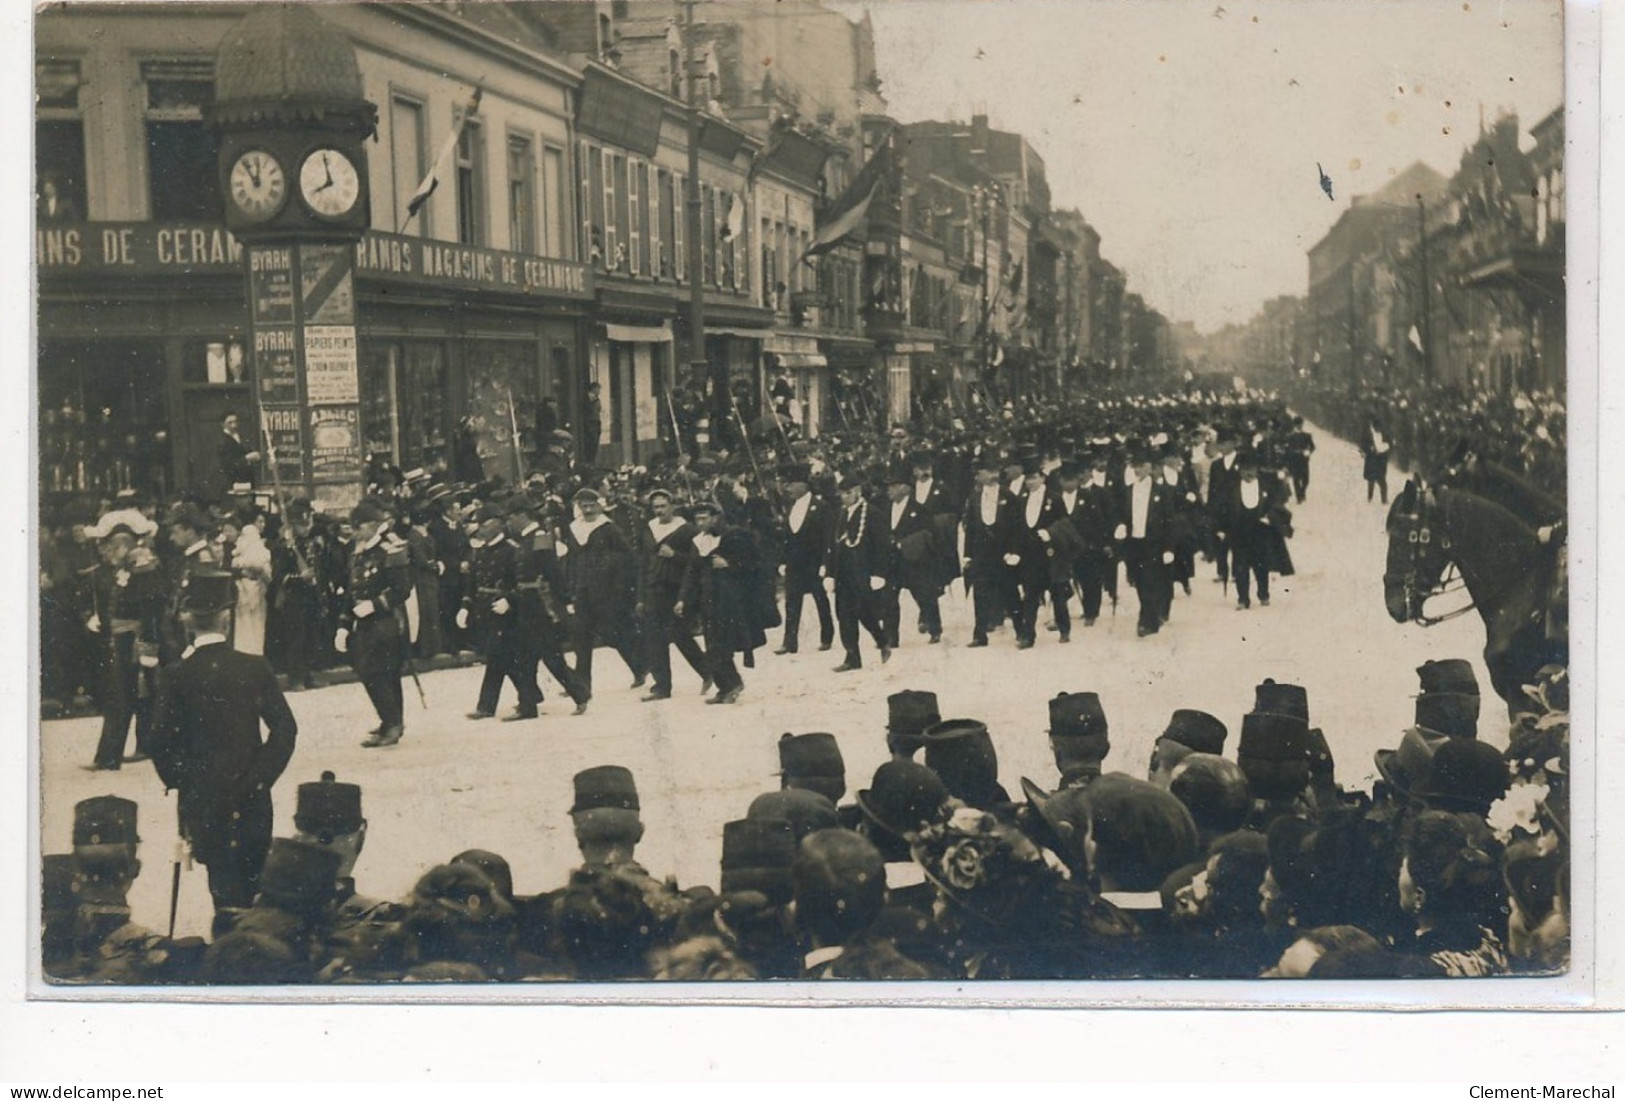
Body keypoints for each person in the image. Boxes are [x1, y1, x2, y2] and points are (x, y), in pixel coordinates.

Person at [149, 571, 297, 937]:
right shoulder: (253, 666)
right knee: (254, 879)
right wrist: (260, 777)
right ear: (227, 617)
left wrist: (185, 780)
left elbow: (159, 742)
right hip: (252, 796)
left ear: (188, 621)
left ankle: (231, 954)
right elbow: (285, 730)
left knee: (223, 886)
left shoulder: (176, 675)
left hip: (204, 799)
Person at [81, 510, 164, 771]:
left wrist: (149, 646)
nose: (106, 551)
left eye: (111, 545)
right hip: (122, 638)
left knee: (122, 696)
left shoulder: (144, 568)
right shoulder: (122, 568)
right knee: (138, 694)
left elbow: (152, 608)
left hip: (136, 640)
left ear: (126, 544)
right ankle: (145, 746)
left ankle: (109, 756)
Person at [335, 496, 413, 748]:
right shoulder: (358, 553)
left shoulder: (391, 548)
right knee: (377, 672)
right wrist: (343, 625)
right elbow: (352, 591)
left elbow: (402, 589)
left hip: (387, 621)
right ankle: (391, 721)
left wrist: (375, 605)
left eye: (358, 527)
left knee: (379, 673)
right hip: (364, 622)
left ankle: (392, 723)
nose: (354, 532)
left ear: (370, 525)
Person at [557, 487, 645, 698]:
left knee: (613, 633)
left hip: (606, 591)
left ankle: (639, 667)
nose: (587, 510)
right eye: (583, 506)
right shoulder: (573, 528)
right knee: (581, 637)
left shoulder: (608, 528)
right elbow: (571, 558)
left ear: (598, 505)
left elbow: (628, 556)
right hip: (582, 589)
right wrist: (571, 583)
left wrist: (611, 572)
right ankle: (581, 685)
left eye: (591, 505)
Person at [677, 499, 761, 704]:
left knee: (722, 643)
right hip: (707, 598)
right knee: (712, 642)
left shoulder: (734, 536)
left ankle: (731, 684)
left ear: (715, 518)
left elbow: (754, 562)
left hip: (729, 598)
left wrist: (730, 564)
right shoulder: (699, 541)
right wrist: (682, 599)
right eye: (697, 519)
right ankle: (727, 685)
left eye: (704, 518)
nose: (700, 522)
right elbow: (691, 572)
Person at [635, 488, 709, 701]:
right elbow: (643, 563)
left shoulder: (687, 530)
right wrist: (640, 596)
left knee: (679, 634)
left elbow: (697, 562)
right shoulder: (648, 529)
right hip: (652, 589)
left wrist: (674, 555)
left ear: (672, 506)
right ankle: (662, 686)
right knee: (653, 639)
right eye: (655, 507)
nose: (659, 511)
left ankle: (707, 671)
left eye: (663, 506)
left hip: (675, 590)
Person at [828, 474, 891, 672]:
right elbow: (834, 545)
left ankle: (882, 640)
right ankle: (852, 656)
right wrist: (829, 573)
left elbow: (882, 546)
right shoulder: (842, 514)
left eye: (846, 493)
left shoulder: (872, 514)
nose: (843, 498)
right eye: (841, 494)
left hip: (863, 572)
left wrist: (879, 573)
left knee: (865, 612)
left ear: (857, 492)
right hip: (844, 574)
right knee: (844, 615)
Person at [876, 462, 942, 647]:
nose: (889, 491)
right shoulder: (885, 509)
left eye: (893, 487)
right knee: (889, 599)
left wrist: (905, 543)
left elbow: (928, 535)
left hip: (913, 560)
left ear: (905, 488)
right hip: (892, 561)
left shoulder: (919, 510)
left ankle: (935, 628)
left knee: (924, 596)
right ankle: (891, 637)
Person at [1116, 446, 1180, 637]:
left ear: (1150, 467)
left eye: (1141, 466)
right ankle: (1150, 614)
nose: (1137, 470)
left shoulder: (1162, 491)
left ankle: (1147, 621)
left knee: (1150, 580)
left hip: (1154, 543)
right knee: (1138, 580)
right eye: (1135, 466)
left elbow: (1169, 521)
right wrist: (1120, 526)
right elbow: (1122, 514)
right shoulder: (1128, 491)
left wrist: (1169, 547)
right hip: (1134, 542)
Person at [774, 465, 835, 655]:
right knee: (791, 602)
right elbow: (787, 538)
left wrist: (826, 563)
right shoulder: (790, 508)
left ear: (804, 485)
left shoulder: (821, 506)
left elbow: (828, 537)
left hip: (814, 563)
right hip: (794, 563)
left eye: (791, 484)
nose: (788, 488)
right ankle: (789, 642)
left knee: (820, 600)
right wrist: (783, 560)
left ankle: (827, 636)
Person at [216, 413, 261, 500]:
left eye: (235, 421)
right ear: (222, 424)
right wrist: (247, 458)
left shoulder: (241, 436)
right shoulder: (222, 441)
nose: (234, 425)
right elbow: (227, 463)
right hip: (233, 480)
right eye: (230, 422)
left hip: (247, 479)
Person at [1360, 415, 1392, 504]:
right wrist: (1370, 450)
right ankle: (1369, 498)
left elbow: (1390, 445)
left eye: (1380, 427)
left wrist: (1385, 449)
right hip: (1372, 460)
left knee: (1382, 481)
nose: (1379, 429)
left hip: (1381, 461)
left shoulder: (1385, 435)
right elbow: (1363, 446)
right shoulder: (1369, 435)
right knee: (1371, 481)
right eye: (1377, 427)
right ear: (1374, 427)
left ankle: (1384, 500)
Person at [581, 382, 604, 467]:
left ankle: (592, 463)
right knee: (590, 445)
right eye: (598, 389)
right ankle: (589, 464)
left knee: (594, 445)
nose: (599, 392)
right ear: (594, 389)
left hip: (595, 423)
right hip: (589, 424)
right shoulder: (587, 399)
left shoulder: (597, 400)